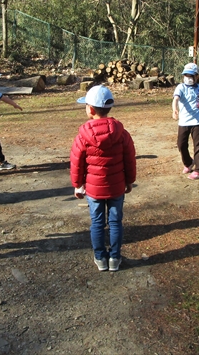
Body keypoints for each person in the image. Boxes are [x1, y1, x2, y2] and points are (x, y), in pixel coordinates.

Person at [70, 85, 136, 272]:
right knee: (115, 222)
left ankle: (100, 258)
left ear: (90, 109)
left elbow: (76, 163)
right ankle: (114, 258)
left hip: (93, 189)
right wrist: (129, 181)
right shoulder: (122, 134)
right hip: (116, 188)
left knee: (97, 223)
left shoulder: (82, 136)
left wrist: (77, 185)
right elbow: (130, 159)